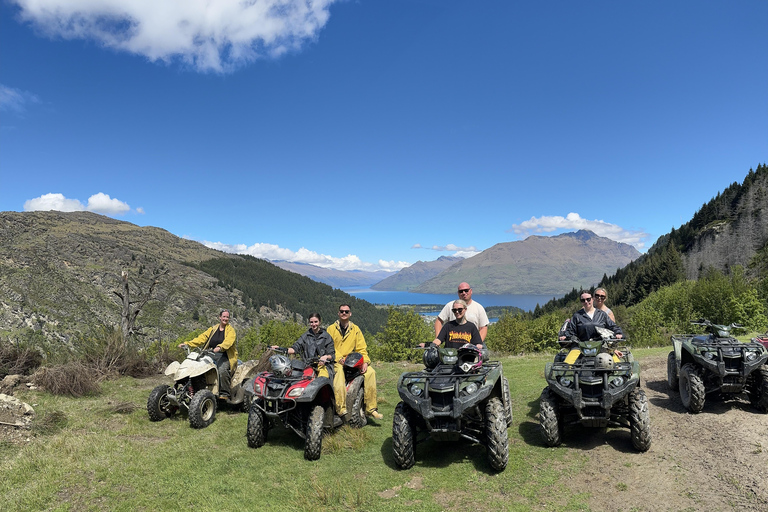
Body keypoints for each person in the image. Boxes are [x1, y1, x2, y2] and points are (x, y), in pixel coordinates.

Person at [326, 304, 383, 421]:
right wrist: (339, 358)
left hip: (352, 361)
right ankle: (341, 408)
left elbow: (362, 349)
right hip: (336, 360)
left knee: (371, 372)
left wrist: (365, 362)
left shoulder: (355, 329)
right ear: (338, 313)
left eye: (346, 311)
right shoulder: (331, 329)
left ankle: (371, 409)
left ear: (350, 314)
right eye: (341, 311)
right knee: (339, 376)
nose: (344, 313)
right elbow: (328, 347)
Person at [179, 309, 237, 398]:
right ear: (220, 317)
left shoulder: (231, 330)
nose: (225, 318)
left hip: (225, 355)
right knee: (198, 366)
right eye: (224, 316)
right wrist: (188, 344)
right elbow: (201, 338)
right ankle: (197, 388)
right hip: (210, 354)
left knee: (222, 370)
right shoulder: (213, 329)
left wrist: (220, 347)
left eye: (227, 317)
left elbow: (229, 341)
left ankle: (225, 393)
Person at [271, 313, 335, 379]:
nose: (313, 324)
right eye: (311, 322)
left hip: (323, 366)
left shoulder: (326, 336)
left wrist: (325, 357)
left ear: (320, 322)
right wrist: (280, 348)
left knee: (322, 380)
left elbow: (332, 354)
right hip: (307, 366)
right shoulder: (305, 336)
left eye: (316, 322)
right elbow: (295, 348)